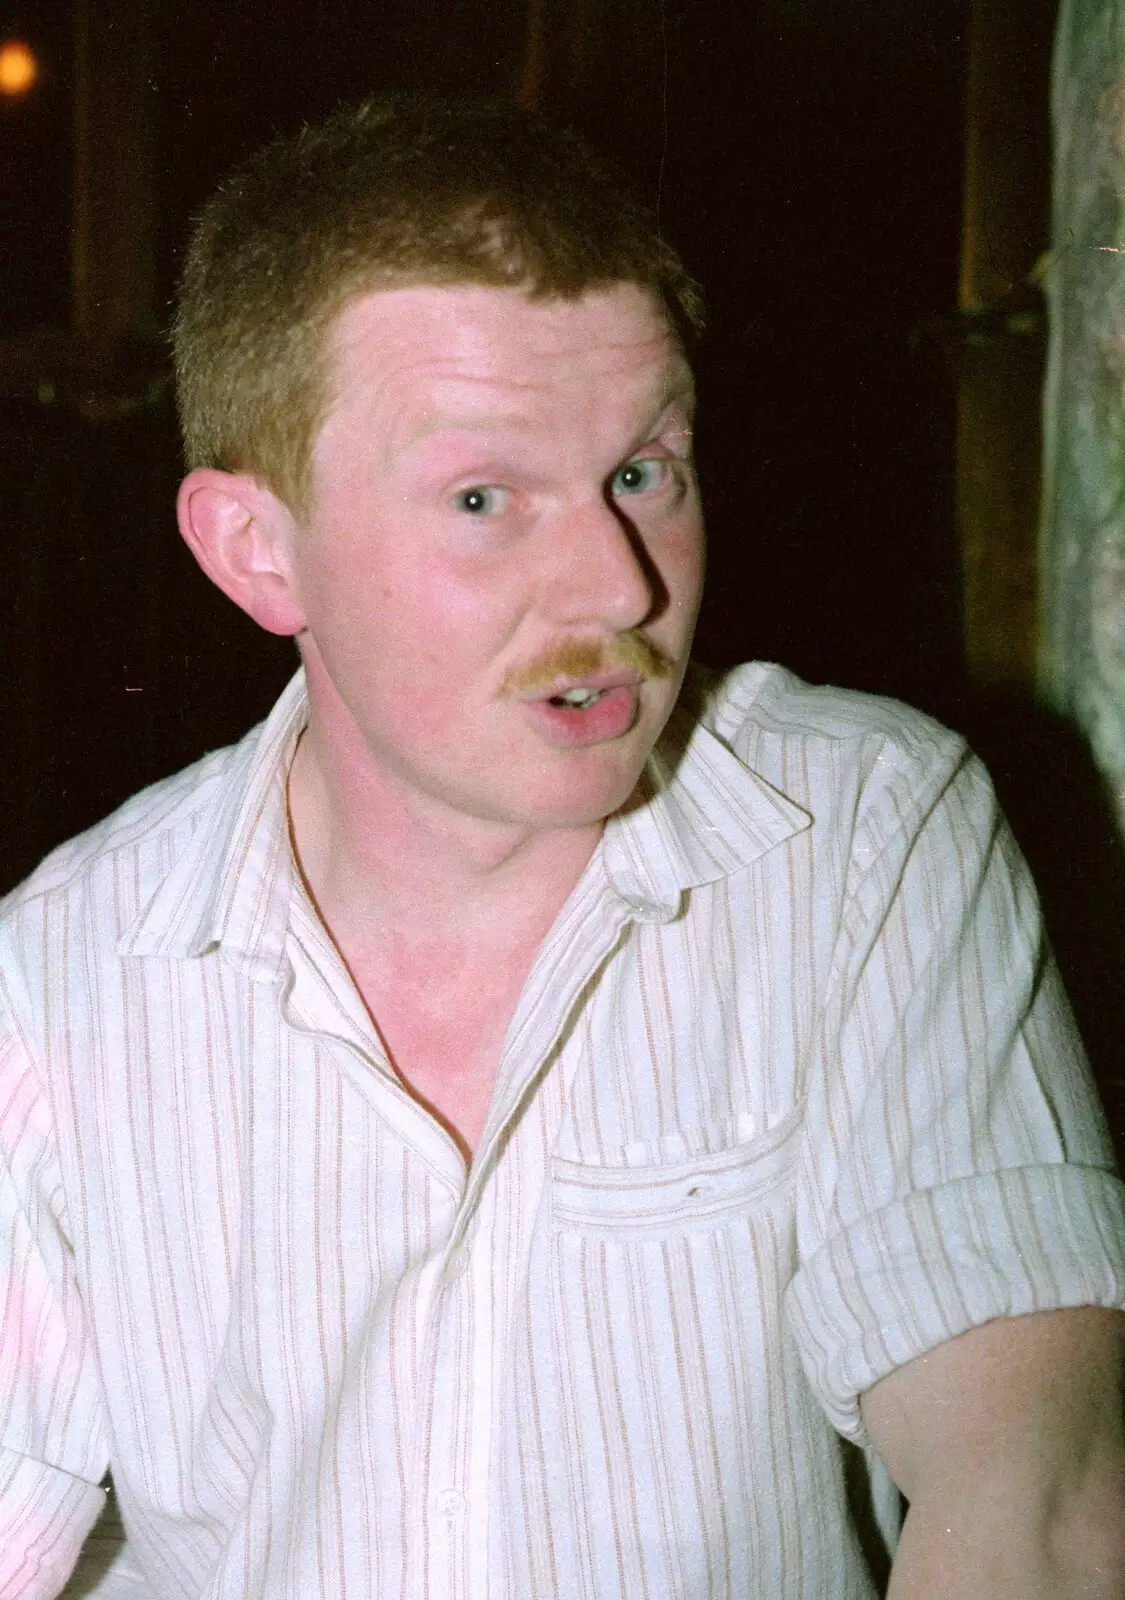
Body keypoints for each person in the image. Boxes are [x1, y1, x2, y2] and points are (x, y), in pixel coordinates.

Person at [1, 95, 1123, 1600]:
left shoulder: (860, 836)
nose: (618, 584)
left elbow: (1030, 1507)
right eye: (485, 498)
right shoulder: (62, 973)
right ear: (256, 552)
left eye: (645, 472)